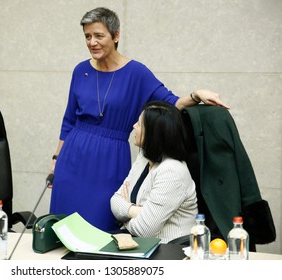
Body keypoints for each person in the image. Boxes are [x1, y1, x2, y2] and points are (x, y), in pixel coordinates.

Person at [49, 7, 228, 232]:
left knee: (102, 229)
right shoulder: (80, 70)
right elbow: (68, 121)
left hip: (110, 160)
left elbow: (170, 102)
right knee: (65, 230)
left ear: (116, 36)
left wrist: (196, 95)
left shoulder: (137, 72)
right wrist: (57, 158)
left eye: (99, 35)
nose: (92, 42)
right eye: (87, 36)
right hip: (72, 158)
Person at [110, 101, 198, 243]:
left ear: (153, 134)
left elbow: (144, 230)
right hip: (140, 246)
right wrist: (136, 211)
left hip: (169, 251)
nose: (134, 126)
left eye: (139, 124)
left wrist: (125, 215)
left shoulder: (172, 171)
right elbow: (114, 200)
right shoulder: (144, 157)